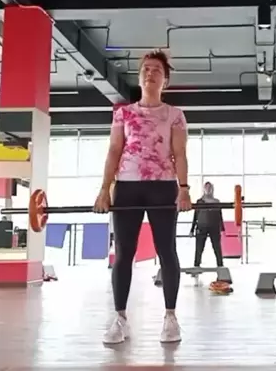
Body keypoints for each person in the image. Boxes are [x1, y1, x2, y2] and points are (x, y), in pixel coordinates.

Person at [94, 49, 191, 345]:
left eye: (156, 70)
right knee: (124, 253)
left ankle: (171, 318)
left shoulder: (174, 115)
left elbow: (179, 154)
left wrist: (184, 188)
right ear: (139, 77)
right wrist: (104, 189)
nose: (150, 73)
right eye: (146, 69)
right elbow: (114, 151)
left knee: (167, 251)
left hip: (163, 186)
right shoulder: (123, 113)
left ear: (165, 81)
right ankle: (120, 318)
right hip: (127, 186)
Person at [189, 182, 225, 272]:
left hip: (214, 227)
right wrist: (192, 229)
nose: (208, 190)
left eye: (210, 188)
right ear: (204, 189)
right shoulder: (200, 201)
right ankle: (196, 266)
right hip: (202, 226)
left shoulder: (216, 202)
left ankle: (220, 266)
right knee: (199, 248)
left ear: (212, 189)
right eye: (206, 188)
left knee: (217, 247)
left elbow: (220, 215)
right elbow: (195, 216)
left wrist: (222, 228)